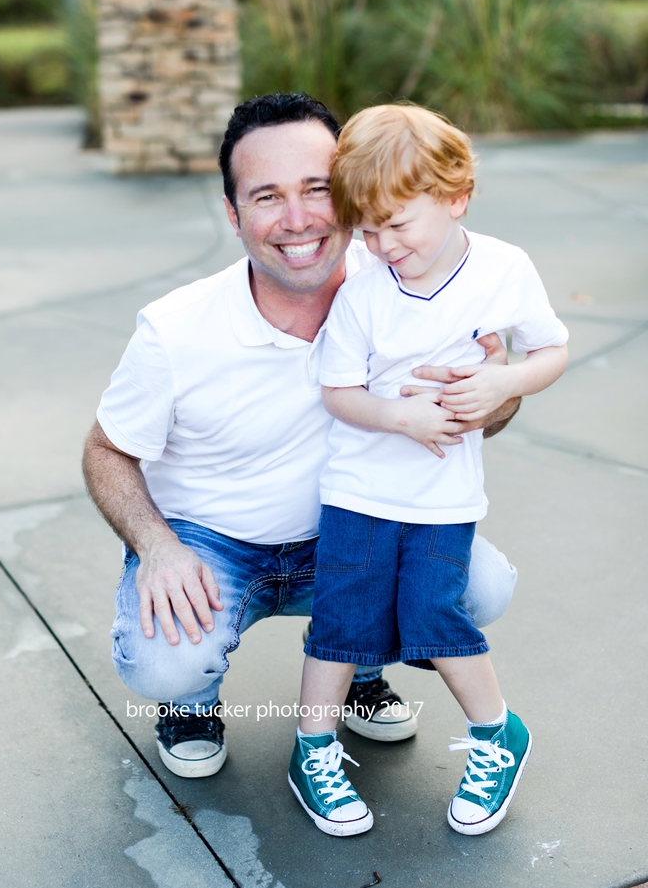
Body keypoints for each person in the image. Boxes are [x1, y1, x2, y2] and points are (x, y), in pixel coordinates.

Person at [82, 93, 520, 782]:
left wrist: (495, 390)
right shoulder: (176, 329)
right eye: (266, 197)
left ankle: (360, 674)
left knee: (481, 585)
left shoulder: (407, 289)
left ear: (349, 192)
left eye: (317, 189)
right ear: (232, 214)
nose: (297, 220)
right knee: (166, 661)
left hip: (352, 530)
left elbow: (492, 412)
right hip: (215, 543)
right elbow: (106, 449)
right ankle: (191, 705)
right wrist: (157, 548)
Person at [288, 104, 568, 838]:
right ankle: (312, 748)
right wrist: (399, 417)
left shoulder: (503, 270)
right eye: (368, 230)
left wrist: (503, 384)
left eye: (397, 225)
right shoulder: (364, 290)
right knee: (341, 619)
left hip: (444, 499)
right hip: (356, 491)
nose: (381, 244)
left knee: (435, 618)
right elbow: (339, 391)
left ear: (454, 197)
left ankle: (497, 735)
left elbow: (550, 352)